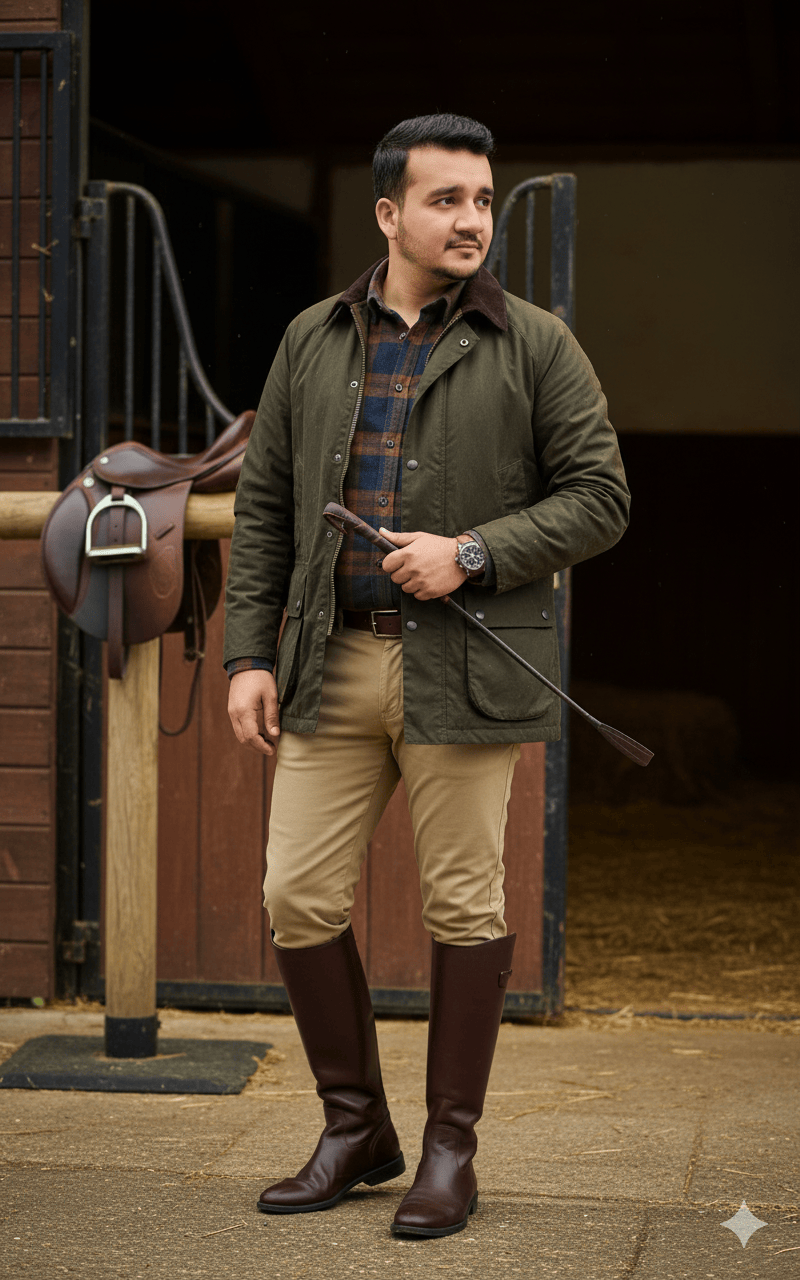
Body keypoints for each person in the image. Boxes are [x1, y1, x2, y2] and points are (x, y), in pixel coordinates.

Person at [224, 113, 630, 1237]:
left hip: (464, 668)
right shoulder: (311, 337)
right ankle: (355, 1126)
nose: (470, 221)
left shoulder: (535, 343)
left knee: (464, 904)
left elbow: (600, 497)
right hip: (330, 659)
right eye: (445, 200)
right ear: (388, 214)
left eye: (482, 200)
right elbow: (264, 509)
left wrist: (474, 551)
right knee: (294, 895)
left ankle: (448, 1147)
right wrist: (248, 654)